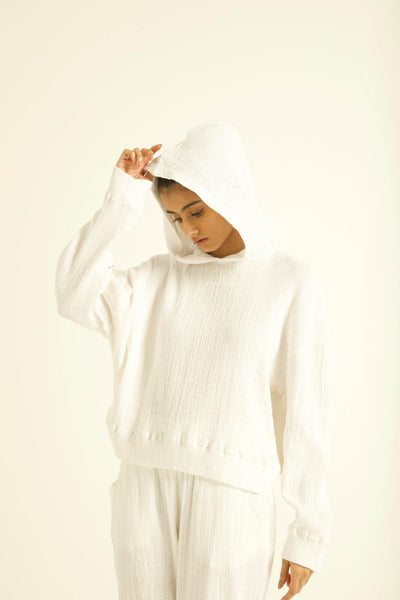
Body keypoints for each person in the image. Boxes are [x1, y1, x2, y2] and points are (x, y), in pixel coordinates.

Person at [55, 121, 335, 600]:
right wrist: (122, 197)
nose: (188, 229)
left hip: (231, 493)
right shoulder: (153, 280)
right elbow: (73, 293)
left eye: (196, 211)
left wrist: (307, 532)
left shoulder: (289, 280)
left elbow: (307, 409)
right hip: (143, 482)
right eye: (173, 217)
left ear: (229, 193)